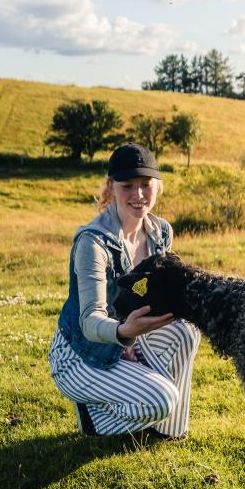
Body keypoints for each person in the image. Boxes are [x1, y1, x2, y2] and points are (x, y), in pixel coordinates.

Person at [48, 144, 200, 437]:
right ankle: (93, 416)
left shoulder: (160, 232)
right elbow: (90, 321)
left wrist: (131, 340)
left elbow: (156, 294)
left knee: (186, 331)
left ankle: (165, 432)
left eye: (145, 184)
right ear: (111, 187)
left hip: (127, 337)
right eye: (127, 185)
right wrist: (123, 335)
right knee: (163, 397)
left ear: (158, 186)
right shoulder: (93, 243)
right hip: (81, 355)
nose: (139, 194)